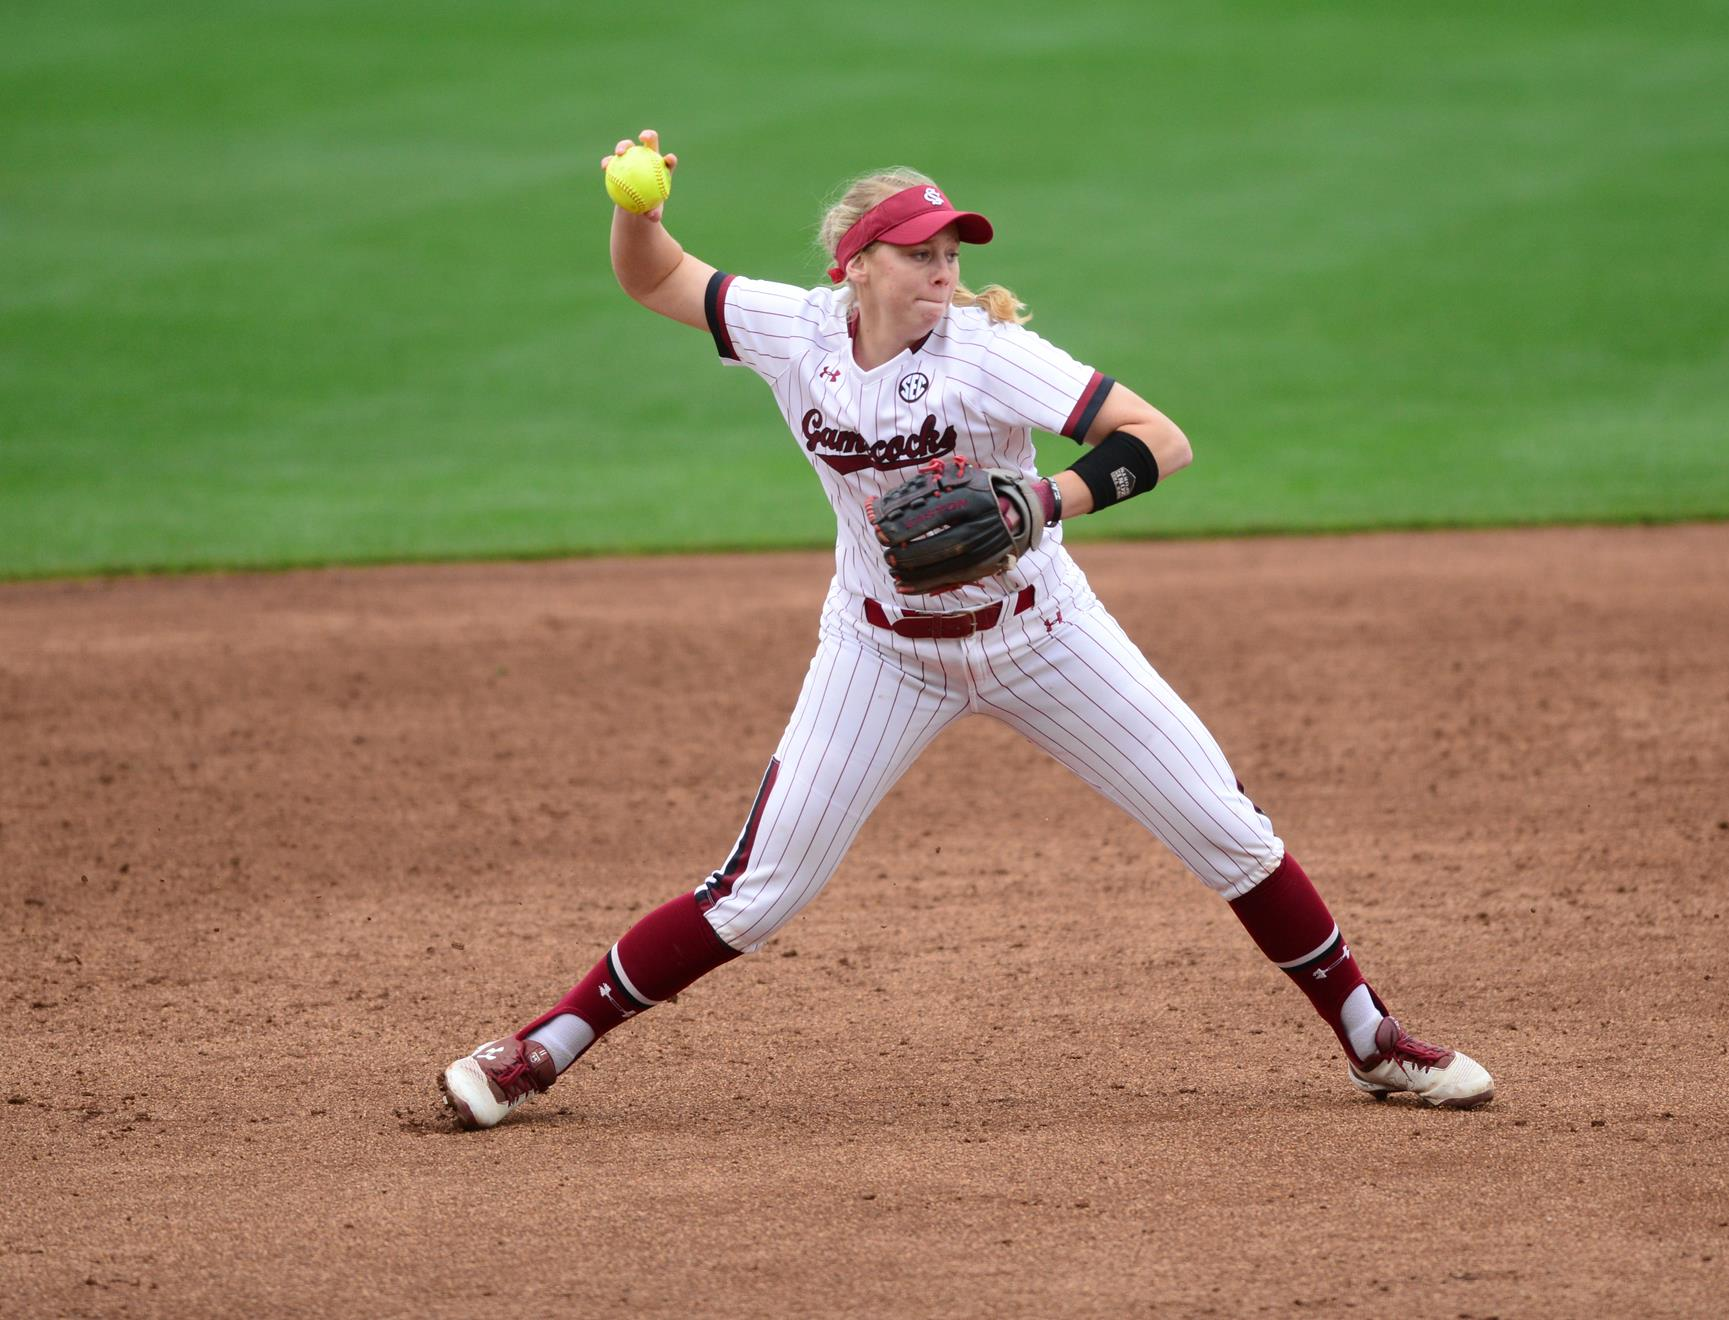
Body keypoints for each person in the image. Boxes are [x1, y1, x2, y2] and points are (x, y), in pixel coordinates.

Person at [437, 129, 1494, 1129]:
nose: (942, 273)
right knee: (755, 896)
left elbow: (1158, 442)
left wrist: (1039, 505)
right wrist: (642, 208)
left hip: (1042, 634)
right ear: (857, 265)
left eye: (951, 254)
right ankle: (538, 1049)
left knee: (1226, 830)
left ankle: (1371, 1040)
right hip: (880, 652)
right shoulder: (793, 330)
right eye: (919, 254)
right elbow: (653, 276)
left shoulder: (985, 352)